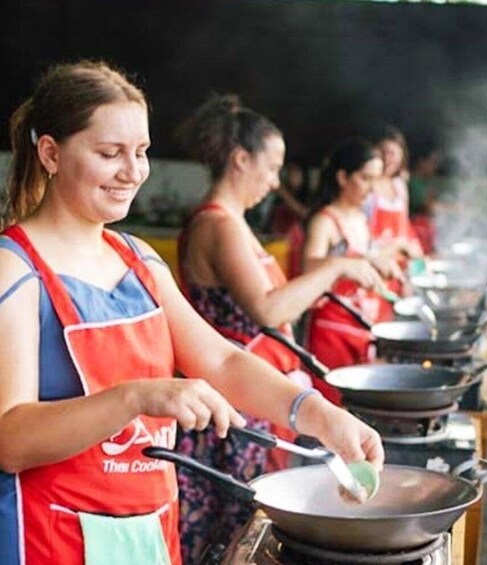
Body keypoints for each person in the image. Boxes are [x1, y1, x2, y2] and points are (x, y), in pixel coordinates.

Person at [0, 61, 384, 565]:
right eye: (109, 153)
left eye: (140, 152)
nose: (133, 171)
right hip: (44, 537)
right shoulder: (8, 269)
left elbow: (221, 362)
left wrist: (320, 415)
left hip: (147, 530)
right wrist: (139, 396)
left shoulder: (138, 260)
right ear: (50, 152)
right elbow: (9, 439)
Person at [173, 94, 388, 562]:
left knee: (237, 529)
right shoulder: (219, 225)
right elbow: (267, 310)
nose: (275, 182)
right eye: (271, 167)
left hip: (242, 399)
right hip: (231, 407)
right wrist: (335, 269)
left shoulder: (234, 223)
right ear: (240, 159)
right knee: (228, 533)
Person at [302, 137, 403, 400]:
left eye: (376, 179)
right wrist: (351, 262)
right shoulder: (325, 221)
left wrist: (380, 259)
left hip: (361, 324)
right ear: (343, 177)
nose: (372, 188)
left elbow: (364, 254)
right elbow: (308, 268)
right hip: (332, 330)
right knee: (333, 403)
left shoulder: (360, 216)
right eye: (365, 178)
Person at [366, 126, 424, 320]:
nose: (388, 158)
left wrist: (415, 252)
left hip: (396, 270)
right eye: (383, 152)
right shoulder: (366, 187)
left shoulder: (399, 187)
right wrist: (396, 246)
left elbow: (404, 227)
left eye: (393, 153)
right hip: (372, 266)